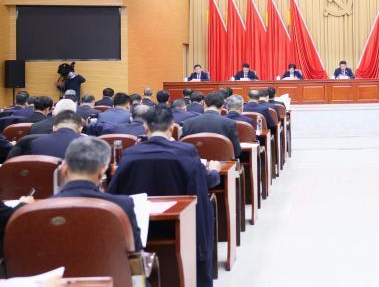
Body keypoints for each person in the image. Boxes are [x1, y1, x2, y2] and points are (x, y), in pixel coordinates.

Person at [108, 106, 219, 287]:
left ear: (145, 127)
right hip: (181, 226)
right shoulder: (186, 152)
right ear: (172, 127)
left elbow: (114, 193)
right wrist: (214, 172)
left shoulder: (129, 155)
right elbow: (202, 184)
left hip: (141, 230)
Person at [52, 136, 143, 250]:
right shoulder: (123, 205)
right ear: (102, 171)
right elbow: (135, 252)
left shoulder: (40, 208)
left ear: (64, 168)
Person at [182, 92, 241, 159]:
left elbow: (183, 150)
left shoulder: (187, 123)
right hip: (223, 163)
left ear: (204, 104)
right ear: (222, 107)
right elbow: (237, 152)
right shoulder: (230, 123)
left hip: (195, 163)